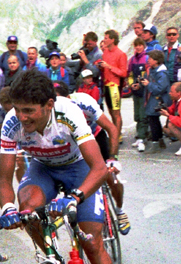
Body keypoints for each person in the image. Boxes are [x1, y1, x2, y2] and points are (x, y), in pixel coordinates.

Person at [0, 70, 129, 264]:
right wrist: (8, 208)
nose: (22, 117)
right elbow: (4, 179)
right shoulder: (11, 123)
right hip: (43, 168)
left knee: (92, 241)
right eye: (18, 110)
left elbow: (98, 168)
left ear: (48, 105)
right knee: (28, 209)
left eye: (29, 110)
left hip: (79, 167)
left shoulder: (68, 113)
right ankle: (52, 262)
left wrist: (76, 197)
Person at [53, 81, 129, 235]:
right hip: (74, 145)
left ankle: (120, 211)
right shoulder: (49, 109)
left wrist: (112, 158)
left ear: (69, 97)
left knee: (111, 177)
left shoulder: (83, 101)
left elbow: (111, 128)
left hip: (95, 137)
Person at [99, 29, 128, 142]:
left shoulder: (121, 54)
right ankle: (114, 132)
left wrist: (109, 66)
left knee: (116, 113)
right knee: (110, 111)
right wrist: (101, 67)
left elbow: (123, 72)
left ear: (112, 39)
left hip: (114, 86)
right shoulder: (105, 52)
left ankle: (117, 136)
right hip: (106, 85)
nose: (104, 40)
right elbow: (105, 68)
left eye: (106, 38)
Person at [141, 50, 171, 154]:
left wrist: (148, 84)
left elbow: (159, 89)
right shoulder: (152, 70)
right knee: (154, 119)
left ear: (156, 61)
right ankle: (159, 140)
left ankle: (155, 143)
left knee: (153, 119)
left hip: (158, 99)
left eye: (150, 59)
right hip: (152, 99)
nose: (147, 60)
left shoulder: (162, 73)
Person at [128, 38, 149, 151]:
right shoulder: (132, 60)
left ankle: (142, 137)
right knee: (137, 114)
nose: (138, 47)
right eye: (136, 45)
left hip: (144, 90)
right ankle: (139, 135)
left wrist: (141, 85)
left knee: (142, 114)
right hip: (135, 91)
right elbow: (130, 74)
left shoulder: (146, 58)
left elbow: (147, 74)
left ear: (143, 46)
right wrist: (132, 84)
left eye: (140, 45)